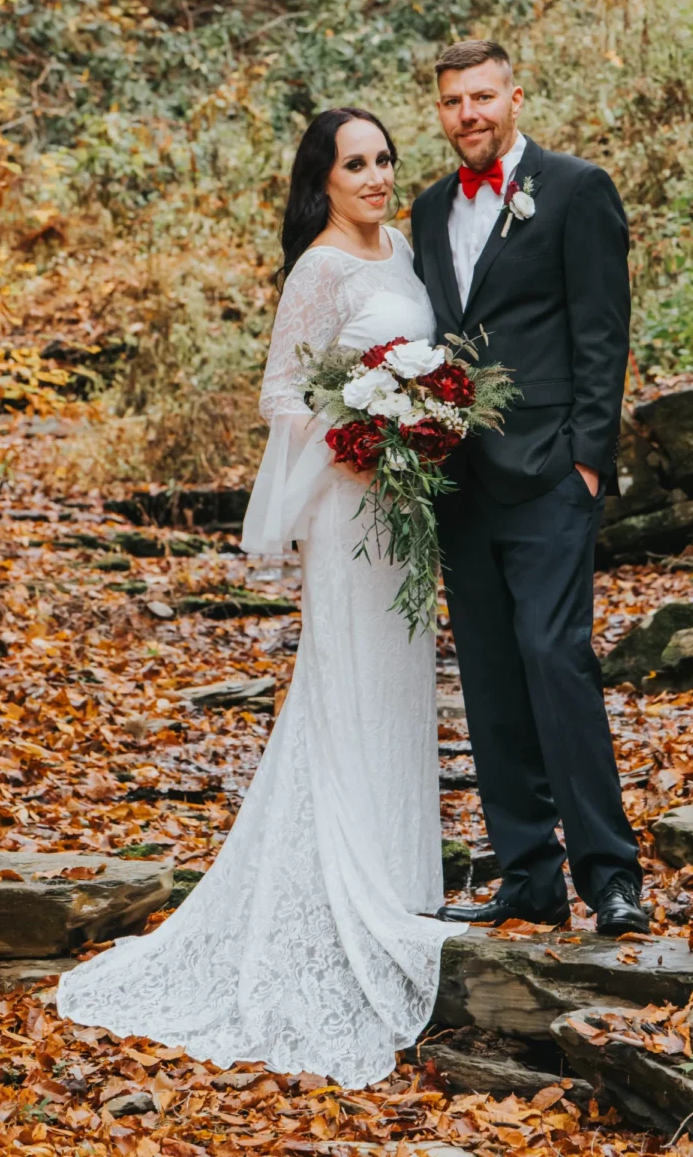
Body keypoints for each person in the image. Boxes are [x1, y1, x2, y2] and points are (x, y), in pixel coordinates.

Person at [57, 107, 466, 1089]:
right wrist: (358, 433)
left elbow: (424, 364)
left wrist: (429, 415)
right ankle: (332, 896)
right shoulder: (320, 269)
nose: (373, 176)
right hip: (346, 508)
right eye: (353, 164)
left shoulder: (402, 249)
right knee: (344, 686)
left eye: (381, 160)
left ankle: (401, 884)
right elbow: (281, 393)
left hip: (402, 518)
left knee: (400, 688)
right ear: (321, 180)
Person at [411, 39, 648, 937]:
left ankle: (611, 874)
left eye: (481, 97)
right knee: (489, 673)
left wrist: (589, 458)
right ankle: (528, 876)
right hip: (457, 480)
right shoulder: (431, 208)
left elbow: (602, 331)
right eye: (451, 102)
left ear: (515, 96)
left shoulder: (577, 189)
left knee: (557, 661)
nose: (467, 114)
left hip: (549, 470)